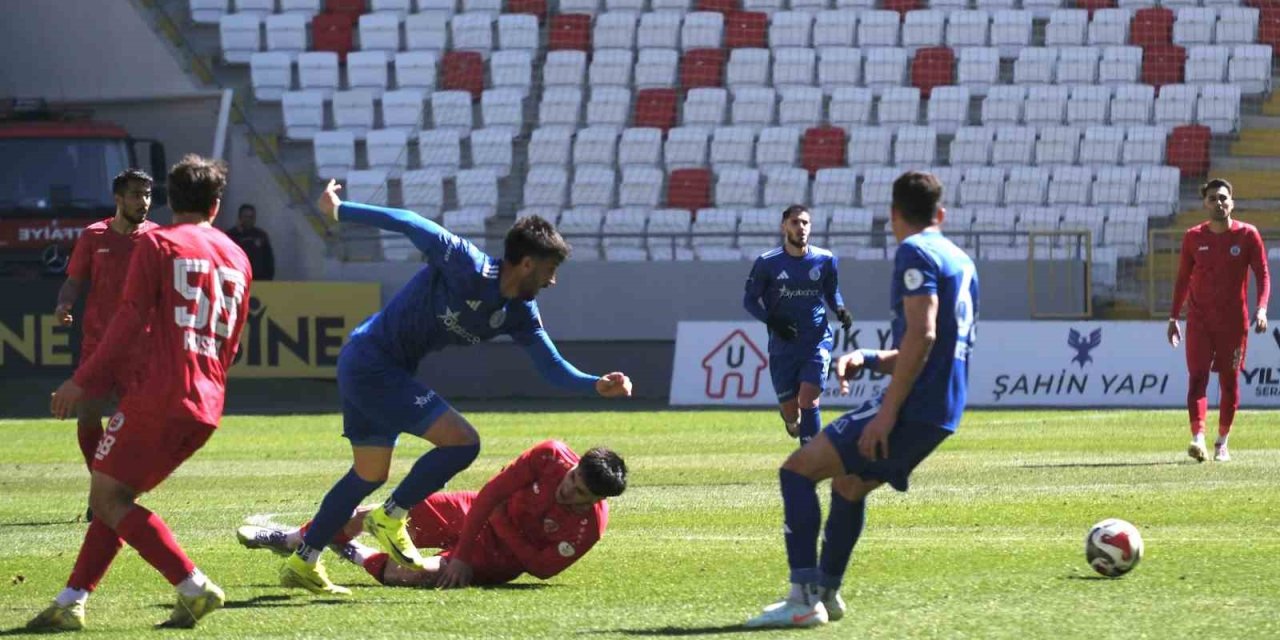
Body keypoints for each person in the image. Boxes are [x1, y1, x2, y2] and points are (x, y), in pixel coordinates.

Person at [280, 180, 633, 596]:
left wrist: (595, 385)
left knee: (369, 473)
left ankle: (303, 560)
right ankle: (391, 516)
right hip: (372, 360)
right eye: (549, 271)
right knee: (463, 443)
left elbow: (551, 366)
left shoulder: (519, 312)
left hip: (384, 368)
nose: (552, 281)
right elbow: (409, 222)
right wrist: (340, 210)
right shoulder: (466, 262)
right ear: (526, 264)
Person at [29, 155, 252, 632]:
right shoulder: (238, 255)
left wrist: (82, 379)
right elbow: (233, 343)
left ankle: (192, 585)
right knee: (115, 496)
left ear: (168, 200)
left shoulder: (160, 243)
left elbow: (129, 322)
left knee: (108, 499)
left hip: (159, 393)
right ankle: (71, 601)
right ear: (216, 205)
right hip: (207, 402)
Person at [745, 171, 978, 628]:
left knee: (796, 472)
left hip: (914, 406)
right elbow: (935, 346)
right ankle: (828, 593)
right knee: (849, 485)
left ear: (893, 215)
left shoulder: (916, 251)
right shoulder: (960, 258)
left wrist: (886, 412)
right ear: (941, 214)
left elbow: (923, 333)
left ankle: (801, 598)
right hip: (946, 409)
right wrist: (869, 359)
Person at [238, 440, 626, 588]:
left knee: (409, 574)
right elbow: (490, 494)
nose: (567, 488)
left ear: (594, 501)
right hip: (474, 510)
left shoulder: (588, 527)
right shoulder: (551, 456)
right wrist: (463, 549)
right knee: (385, 515)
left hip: (497, 556)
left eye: (578, 492)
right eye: (573, 477)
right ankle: (292, 539)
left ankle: (352, 553)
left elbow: (541, 569)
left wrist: (481, 542)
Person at [55, 170, 160, 494]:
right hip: (98, 346)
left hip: (140, 347)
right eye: (135, 195)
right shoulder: (93, 236)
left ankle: (120, 487)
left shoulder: (157, 238)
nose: (143, 202)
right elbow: (74, 280)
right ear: (118, 198)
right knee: (87, 417)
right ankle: (102, 489)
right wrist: (64, 306)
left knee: (138, 424)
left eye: (147, 195)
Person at [1168, 178, 1269, 463]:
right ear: (1205, 203)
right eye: (1213, 198)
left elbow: (1262, 274)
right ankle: (1198, 437)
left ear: (1232, 202)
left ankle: (1222, 442)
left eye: (1223, 198)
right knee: (1197, 378)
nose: (1219, 202)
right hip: (1199, 322)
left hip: (1234, 325)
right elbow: (1182, 281)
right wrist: (1174, 316)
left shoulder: (1248, 236)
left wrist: (1261, 309)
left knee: (1229, 383)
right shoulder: (1193, 237)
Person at [743, 205, 852, 444]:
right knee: (792, 411)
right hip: (783, 344)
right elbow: (749, 300)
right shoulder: (767, 262)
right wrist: (772, 321)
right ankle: (790, 419)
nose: (800, 227)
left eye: (805, 223)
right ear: (784, 226)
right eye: (795, 222)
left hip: (816, 339)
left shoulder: (825, 260)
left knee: (809, 400)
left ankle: (810, 459)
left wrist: (840, 309)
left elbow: (832, 293)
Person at [224, 203, 274, 280]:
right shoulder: (230, 235)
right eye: (246, 217)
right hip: (237, 279)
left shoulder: (261, 236)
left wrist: (267, 278)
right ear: (240, 218)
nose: (248, 220)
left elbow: (268, 260)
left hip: (258, 280)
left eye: (251, 217)